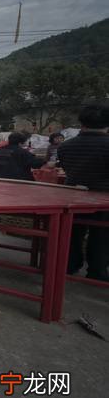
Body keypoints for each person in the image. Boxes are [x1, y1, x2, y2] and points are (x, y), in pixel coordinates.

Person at [58, 104, 109, 281]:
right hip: (103, 198)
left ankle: (69, 265)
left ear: (82, 121)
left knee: (72, 233)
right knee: (101, 235)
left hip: (72, 195)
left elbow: (65, 167)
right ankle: (97, 271)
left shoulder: (66, 146)